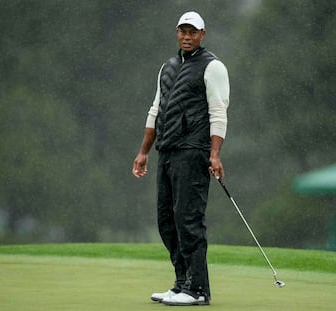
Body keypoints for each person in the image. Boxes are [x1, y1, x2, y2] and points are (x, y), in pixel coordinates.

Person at [132, 11, 230, 306]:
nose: (187, 36)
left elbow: (218, 112)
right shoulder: (168, 67)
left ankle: (198, 289)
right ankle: (182, 283)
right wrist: (143, 152)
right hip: (168, 152)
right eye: (182, 31)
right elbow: (156, 111)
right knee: (167, 221)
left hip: (194, 152)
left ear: (203, 34)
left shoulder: (212, 67)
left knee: (189, 221)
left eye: (193, 31)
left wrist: (215, 154)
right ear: (177, 33)